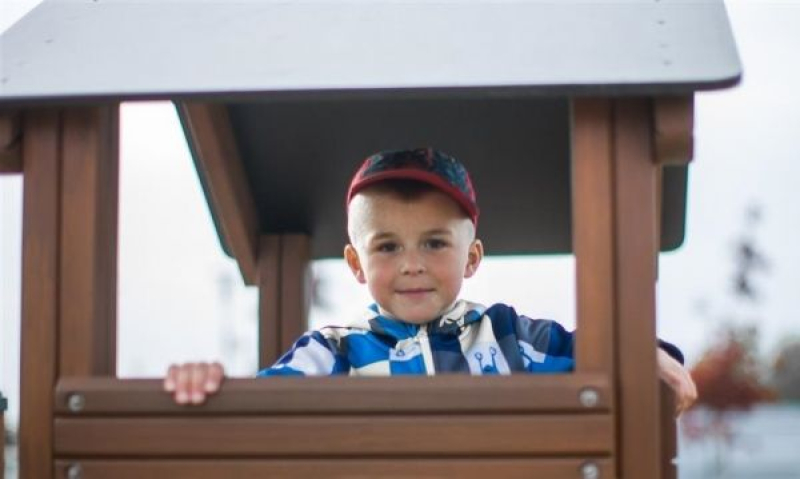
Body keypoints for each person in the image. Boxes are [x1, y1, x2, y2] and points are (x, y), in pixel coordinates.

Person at [164, 148, 697, 413]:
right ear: (356, 264)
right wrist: (213, 387)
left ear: (471, 258)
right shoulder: (335, 351)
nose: (412, 264)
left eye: (435, 243)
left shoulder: (509, 336)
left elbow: (605, 355)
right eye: (388, 247)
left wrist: (648, 355)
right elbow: (262, 405)